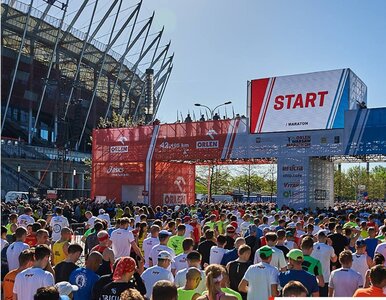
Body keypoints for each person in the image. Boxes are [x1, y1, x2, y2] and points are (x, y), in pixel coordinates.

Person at [311, 230, 337, 296]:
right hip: (325, 278)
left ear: (317, 237)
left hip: (312, 277)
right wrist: (330, 245)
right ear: (326, 238)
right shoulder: (329, 248)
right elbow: (334, 260)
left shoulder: (311, 246)